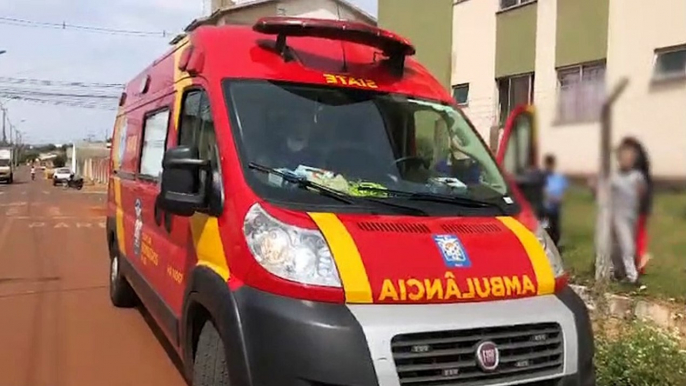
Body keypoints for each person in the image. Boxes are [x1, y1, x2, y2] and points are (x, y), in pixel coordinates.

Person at [610, 142, 646, 285]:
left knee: (626, 246)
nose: (626, 161)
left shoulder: (636, 176)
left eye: (629, 158)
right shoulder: (615, 176)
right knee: (617, 246)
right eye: (623, 158)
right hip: (616, 215)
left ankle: (626, 274)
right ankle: (623, 274)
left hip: (630, 216)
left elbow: (641, 192)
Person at [619, 137, 653, 275]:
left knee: (635, 236)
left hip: (635, 208)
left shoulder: (635, 172)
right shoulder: (641, 169)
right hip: (639, 207)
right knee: (637, 236)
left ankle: (637, 264)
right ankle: (637, 264)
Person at [542, 154, 568, 246]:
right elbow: (542, 191)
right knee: (546, 228)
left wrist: (559, 198)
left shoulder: (558, 178)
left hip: (555, 208)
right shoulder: (542, 178)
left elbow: (563, 191)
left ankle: (555, 245)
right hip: (545, 208)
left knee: (555, 229)